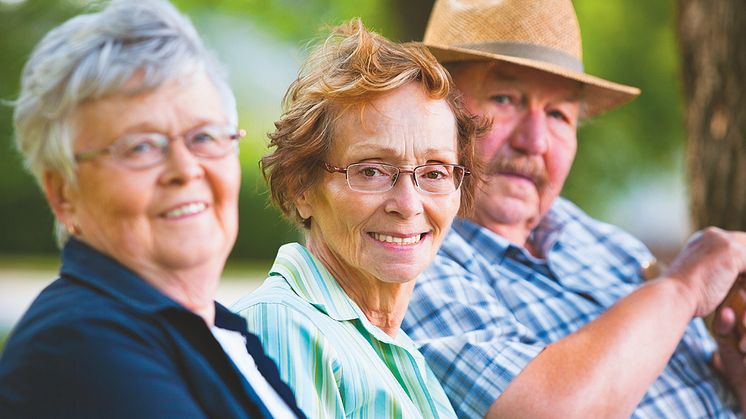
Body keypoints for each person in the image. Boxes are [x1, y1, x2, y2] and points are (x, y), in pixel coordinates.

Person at [401, 0, 746, 418]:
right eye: (505, 98)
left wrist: (734, 377)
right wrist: (684, 287)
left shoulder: (604, 242)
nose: (536, 141)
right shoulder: (409, 254)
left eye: (558, 115)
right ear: (433, 112)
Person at [0, 1, 305, 418]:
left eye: (204, 136)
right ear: (63, 192)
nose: (185, 169)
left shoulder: (221, 332)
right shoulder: (79, 344)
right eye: (140, 146)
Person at [232, 18, 484, 419]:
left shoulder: (390, 346)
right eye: (371, 171)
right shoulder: (283, 328)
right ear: (302, 188)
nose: (407, 204)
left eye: (435, 172)